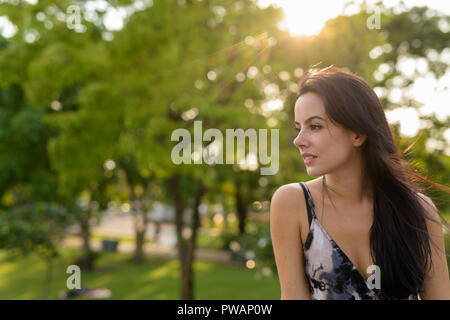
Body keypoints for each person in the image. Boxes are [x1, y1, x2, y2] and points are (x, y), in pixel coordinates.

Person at [270, 66, 450, 300]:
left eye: (315, 126)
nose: (298, 140)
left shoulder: (418, 210)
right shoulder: (293, 203)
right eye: (299, 128)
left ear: (357, 134)